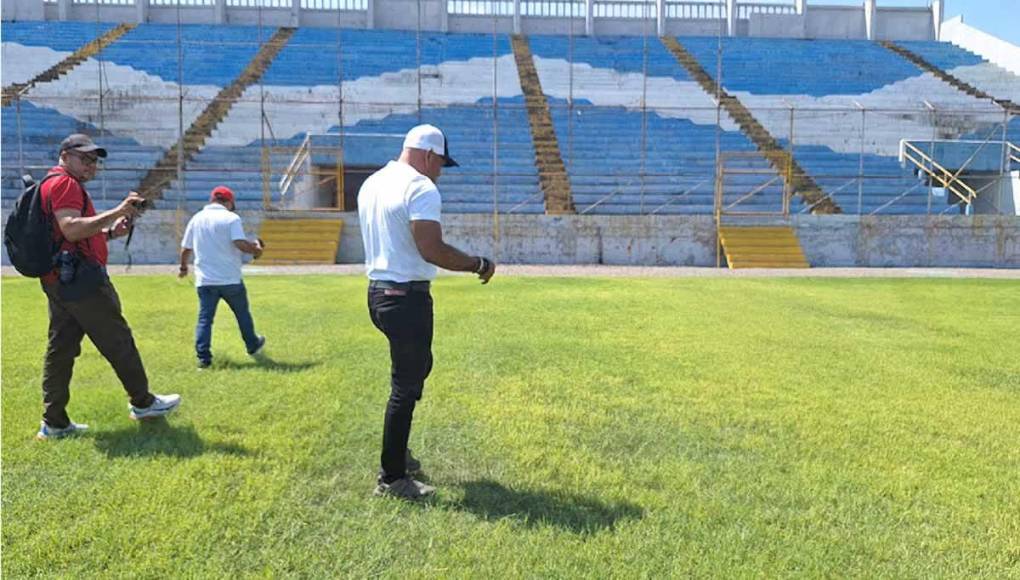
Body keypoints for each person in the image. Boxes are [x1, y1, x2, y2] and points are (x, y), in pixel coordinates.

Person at [358, 124, 496, 500]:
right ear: (428, 155)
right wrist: (477, 263)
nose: (439, 173)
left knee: (417, 369)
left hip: (378, 293)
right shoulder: (420, 187)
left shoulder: (372, 182)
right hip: (406, 297)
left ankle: (397, 451)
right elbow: (431, 249)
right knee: (405, 387)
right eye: (440, 164)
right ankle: (392, 477)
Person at [35, 133, 181, 441]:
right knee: (118, 340)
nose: (91, 166)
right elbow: (71, 229)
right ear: (65, 156)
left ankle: (54, 422)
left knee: (60, 351)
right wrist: (118, 210)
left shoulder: (51, 183)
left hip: (60, 280)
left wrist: (112, 233)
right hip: (82, 282)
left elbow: (71, 234)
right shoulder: (65, 184)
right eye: (84, 158)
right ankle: (143, 403)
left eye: (94, 161)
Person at [178, 186, 266, 369]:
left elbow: (186, 248)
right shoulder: (231, 218)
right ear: (230, 201)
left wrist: (183, 267)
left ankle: (203, 358)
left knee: (205, 319)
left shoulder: (197, 218)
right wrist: (256, 249)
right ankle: (252, 344)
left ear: (212, 200)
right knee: (242, 314)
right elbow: (239, 243)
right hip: (230, 278)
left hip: (205, 280)